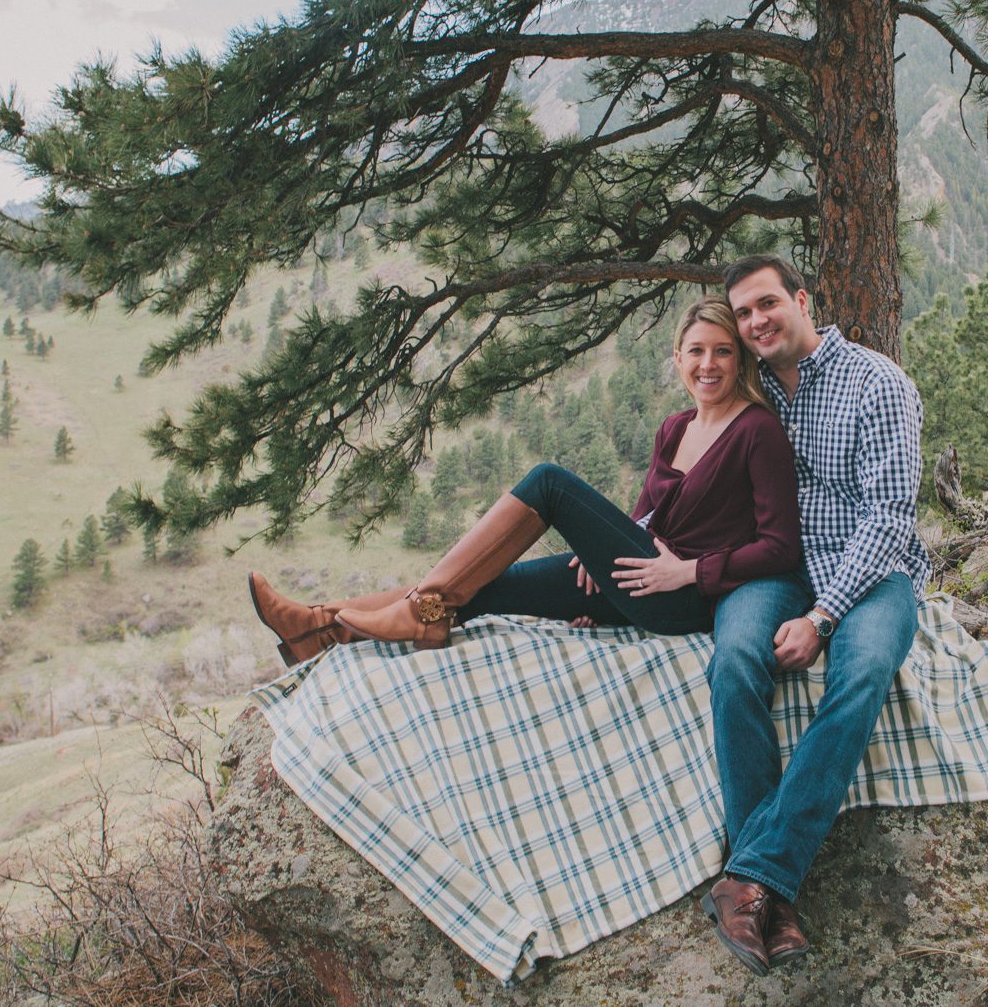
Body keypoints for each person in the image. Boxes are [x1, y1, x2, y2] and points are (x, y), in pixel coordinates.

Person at [246, 297, 800, 662]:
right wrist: (597, 547)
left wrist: (689, 572)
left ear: (741, 362)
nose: (709, 364)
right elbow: (647, 519)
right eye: (697, 351)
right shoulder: (675, 428)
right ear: (677, 358)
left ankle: (418, 612)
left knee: (549, 483)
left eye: (724, 352)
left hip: (682, 599)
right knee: (485, 585)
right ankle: (319, 630)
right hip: (630, 577)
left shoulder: (756, 431)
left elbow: (779, 549)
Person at [700, 254, 928, 975]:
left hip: (872, 572)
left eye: (769, 303)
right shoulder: (753, 388)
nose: (757, 320)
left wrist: (825, 615)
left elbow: (890, 517)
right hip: (781, 566)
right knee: (734, 657)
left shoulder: (877, 382)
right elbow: (692, 459)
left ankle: (754, 873)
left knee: (860, 673)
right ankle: (771, 896)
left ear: (802, 299)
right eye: (744, 312)